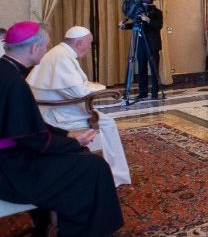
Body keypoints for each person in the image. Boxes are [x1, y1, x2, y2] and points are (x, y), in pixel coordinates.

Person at [0, 22, 124, 236]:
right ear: (33, 49)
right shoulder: (14, 83)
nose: (47, 51)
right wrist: (73, 142)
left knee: (80, 157)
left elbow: (28, 126)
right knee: (94, 167)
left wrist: (67, 135)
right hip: (12, 170)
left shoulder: (6, 71)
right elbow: (33, 139)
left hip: (11, 156)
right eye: (45, 46)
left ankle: (50, 223)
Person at [27, 26, 131, 187]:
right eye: (89, 44)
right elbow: (79, 92)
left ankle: (111, 171)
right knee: (107, 123)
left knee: (105, 120)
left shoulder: (60, 53)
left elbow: (73, 87)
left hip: (54, 107)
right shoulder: (62, 58)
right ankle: (114, 175)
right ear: (79, 43)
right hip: (58, 113)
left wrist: (92, 86)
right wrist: (99, 87)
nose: (90, 48)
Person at [119, 0, 164, 101]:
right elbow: (135, 24)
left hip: (153, 44)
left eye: (149, 0)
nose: (147, 3)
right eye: (145, 1)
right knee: (141, 68)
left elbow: (159, 25)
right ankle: (142, 92)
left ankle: (154, 92)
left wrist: (148, 20)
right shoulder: (139, 11)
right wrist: (124, 26)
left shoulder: (157, 12)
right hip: (141, 44)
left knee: (154, 69)